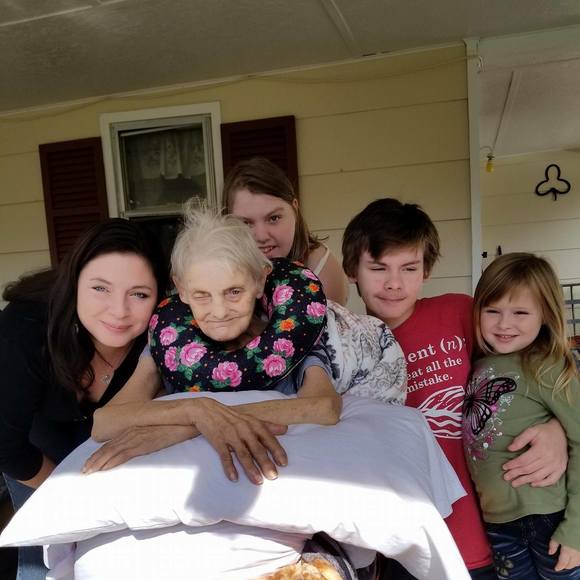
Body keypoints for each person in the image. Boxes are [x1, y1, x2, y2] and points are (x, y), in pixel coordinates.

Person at [341, 198, 569, 579]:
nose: (394, 283)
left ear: (427, 270)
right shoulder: (348, 349)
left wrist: (557, 427)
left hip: (496, 536)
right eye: (378, 268)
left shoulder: (459, 313)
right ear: (352, 270)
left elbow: (539, 369)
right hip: (406, 546)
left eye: (409, 268)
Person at [84, 206, 342, 485]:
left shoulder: (291, 334)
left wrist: (190, 427)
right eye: (202, 295)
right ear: (182, 289)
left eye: (234, 292)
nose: (219, 312)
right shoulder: (170, 342)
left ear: (259, 280)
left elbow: (324, 407)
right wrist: (196, 411)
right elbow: (104, 423)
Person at [0, 218, 169, 580]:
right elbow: (6, 446)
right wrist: (70, 494)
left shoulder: (163, 332)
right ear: (74, 283)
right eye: (100, 288)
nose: (119, 311)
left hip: (110, 429)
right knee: (43, 544)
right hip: (33, 438)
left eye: (139, 294)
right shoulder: (24, 329)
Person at [465, 253, 580, 578]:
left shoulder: (547, 366)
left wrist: (576, 529)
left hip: (551, 517)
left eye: (520, 312)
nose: (504, 324)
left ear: (544, 314)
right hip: (498, 522)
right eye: (492, 311)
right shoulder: (476, 364)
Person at [222, 156, 349, 306]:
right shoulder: (215, 271)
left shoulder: (321, 270)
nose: (261, 236)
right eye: (246, 223)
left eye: (274, 218)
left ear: (295, 209)